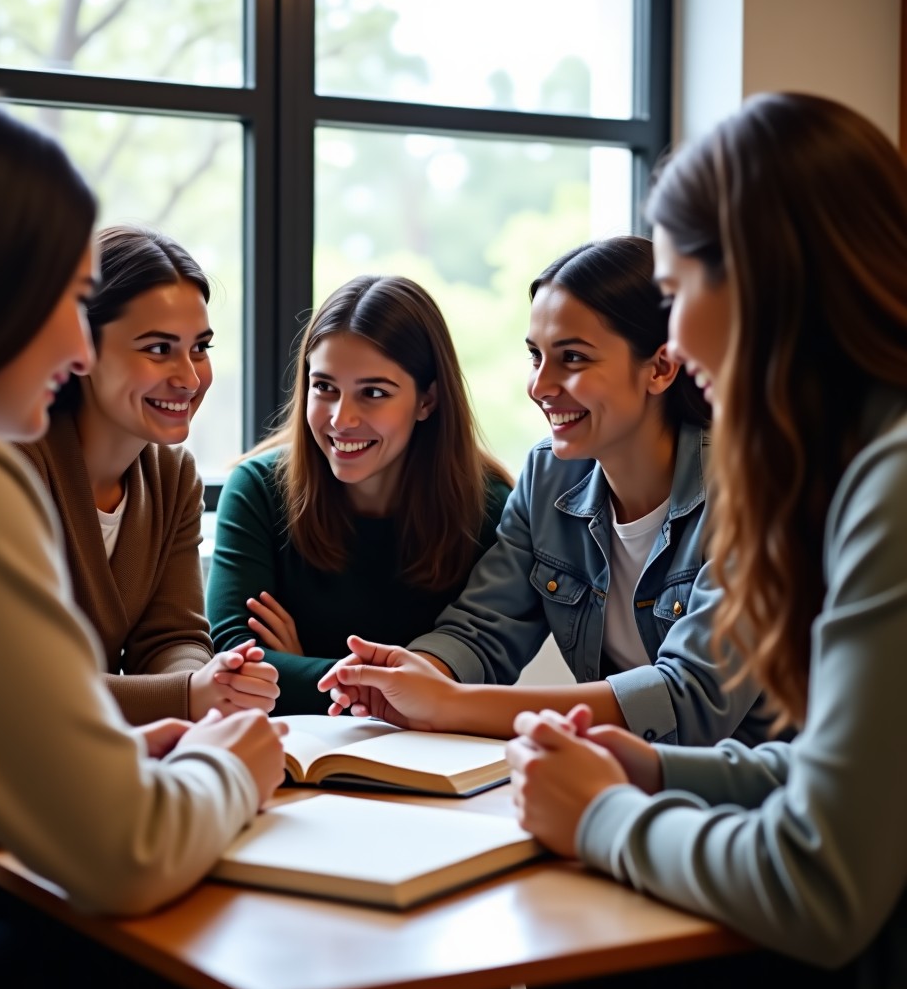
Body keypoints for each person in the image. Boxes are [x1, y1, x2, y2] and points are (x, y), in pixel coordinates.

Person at [0, 79, 286, 989]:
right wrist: (227, 763)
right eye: (71, 298)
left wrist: (115, 754)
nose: (74, 340)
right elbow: (128, 854)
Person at [504, 92, 907, 989]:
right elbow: (845, 777)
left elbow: (822, 880)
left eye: (678, 294)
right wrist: (648, 766)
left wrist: (601, 816)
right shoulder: (860, 462)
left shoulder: (890, 484)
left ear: (766, 284)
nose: (676, 342)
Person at [321, 237, 776, 748]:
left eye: (573, 359)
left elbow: (691, 697)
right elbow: (483, 629)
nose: (540, 385)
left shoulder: (756, 491)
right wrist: (417, 674)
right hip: (631, 779)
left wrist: (449, 703)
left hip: (766, 800)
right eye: (535, 356)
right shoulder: (550, 474)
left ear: (661, 368)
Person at [205, 275, 514, 715]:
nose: (341, 419)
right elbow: (238, 670)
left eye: (373, 393)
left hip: (435, 764)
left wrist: (298, 666)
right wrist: (392, 687)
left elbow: (483, 675)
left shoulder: (487, 508)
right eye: (324, 387)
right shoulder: (257, 490)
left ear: (427, 401)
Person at [17, 225, 279, 726]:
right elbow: (22, 684)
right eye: (159, 349)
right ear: (81, 349)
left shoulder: (173, 475)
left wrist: (213, 681)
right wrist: (185, 695)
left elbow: (173, 637)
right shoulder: (16, 464)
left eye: (200, 347)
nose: (189, 376)